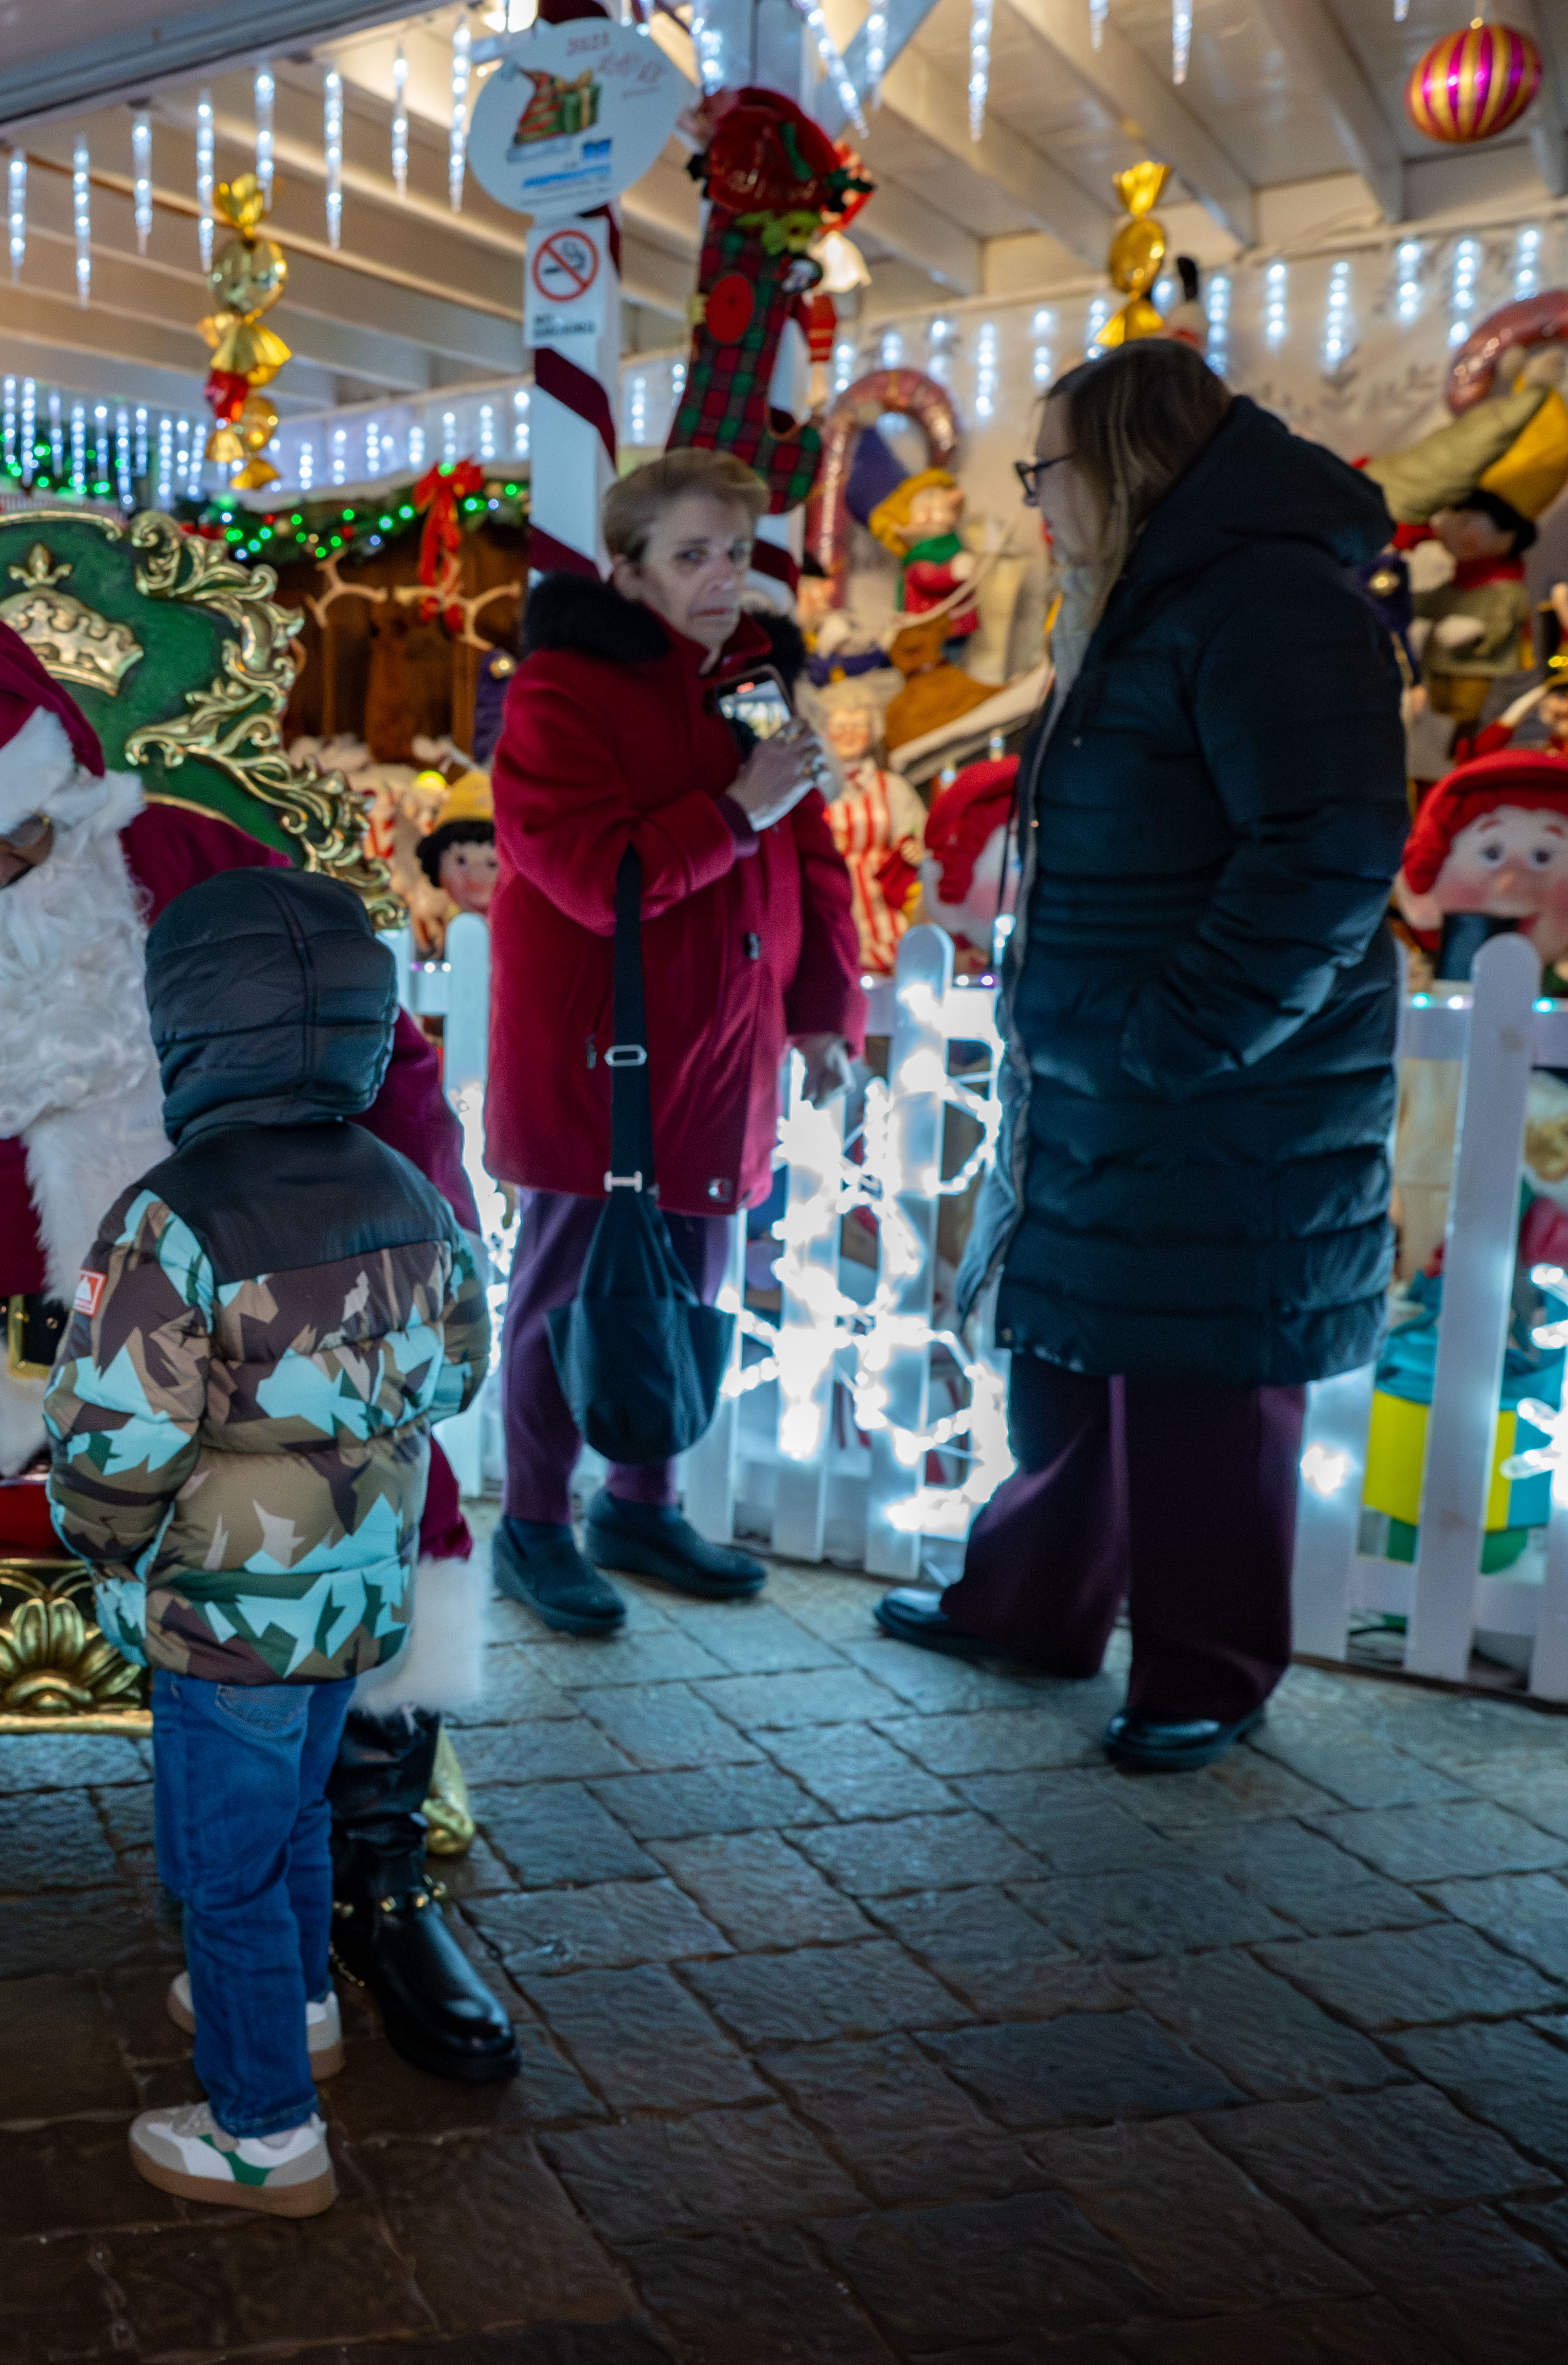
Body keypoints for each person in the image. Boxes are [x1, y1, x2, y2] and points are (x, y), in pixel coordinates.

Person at [0, 610, 522, 2084]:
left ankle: (377, 1875)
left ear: (67, 798)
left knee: (395, 1500)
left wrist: (401, 1248)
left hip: (213, 1330)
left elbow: (379, 1055)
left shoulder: (197, 876)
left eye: (10, 845)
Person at [880, 340, 1406, 1772]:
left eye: (1041, 468)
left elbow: (1327, 848)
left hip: (1223, 1090)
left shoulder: (1267, 601)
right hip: (1109, 1073)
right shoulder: (1153, 600)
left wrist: (1173, 1035)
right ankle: (1032, 1603)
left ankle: (1207, 1665)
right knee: (1065, 1355)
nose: (1034, 499)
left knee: (1201, 1391)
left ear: (1115, 464)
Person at [44, 867, 494, 2217]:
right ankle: (299, 2000)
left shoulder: (169, 1217)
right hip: (352, 1595)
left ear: (182, 1030)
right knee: (298, 1810)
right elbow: (460, 1364)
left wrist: (104, 1544)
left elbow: (109, 1442)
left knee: (221, 1870)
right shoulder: (406, 1185)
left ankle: (261, 2127)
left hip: (220, 1614)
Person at [484, 448, 860, 1637]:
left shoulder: (749, 681)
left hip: (724, 1051)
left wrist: (822, 1009)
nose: (719, 578)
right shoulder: (557, 694)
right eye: (691, 554)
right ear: (624, 567)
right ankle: (535, 1522)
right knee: (569, 1296)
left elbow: (809, 850)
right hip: (600, 1059)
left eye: (734, 554)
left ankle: (639, 1505)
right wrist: (735, 810)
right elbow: (596, 877)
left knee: (691, 1283)